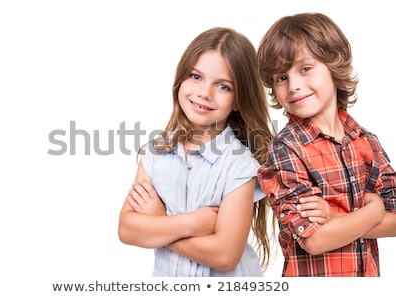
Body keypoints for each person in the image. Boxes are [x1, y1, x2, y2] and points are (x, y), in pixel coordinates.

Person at [118, 27, 275, 277]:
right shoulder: (155, 154)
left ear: (238, 100)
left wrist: (159, 225)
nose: (205, 93)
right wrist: (192, 223)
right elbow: (127, 230)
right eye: (196, 76)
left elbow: (225, 255)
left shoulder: (239, 164)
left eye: (223, 86)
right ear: (180, 79)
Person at [256, 12, 396, 277]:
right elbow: (315, 240)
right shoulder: (287, 147)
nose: (294, 86)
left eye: (305, 69)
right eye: (281, 78)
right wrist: (375, 209)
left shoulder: (366, 141)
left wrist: (336, 220)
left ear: (334, 65)